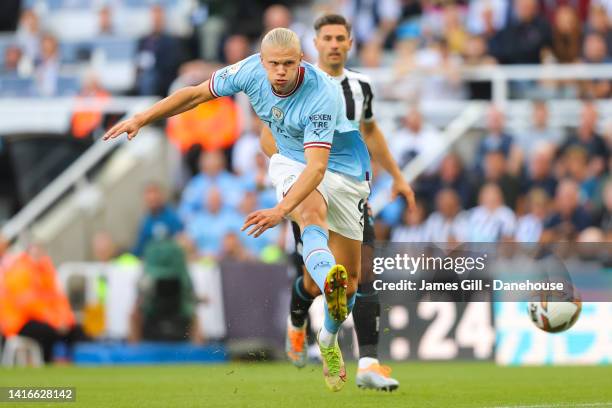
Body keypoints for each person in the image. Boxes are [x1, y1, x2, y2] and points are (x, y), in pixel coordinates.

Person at [103, 26, 415, 392]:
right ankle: (324, 288)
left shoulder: (322, 94)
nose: (279, 72)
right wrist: (143, 117)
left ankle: (329, 340)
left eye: (287, 64)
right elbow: (194, 94)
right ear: (262, 62)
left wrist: (279, 211)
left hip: (342, 173)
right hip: (291, 163)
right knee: (312, 217)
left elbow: (318, 168)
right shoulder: (249, 70)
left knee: (347, 290)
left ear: (302, 61)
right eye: (273, 64)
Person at [259, 14, 414, 391]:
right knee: (314, 284)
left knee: (361, 275)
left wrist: (396, 175)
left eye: (339, 37)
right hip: (310, 188)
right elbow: (268, 136)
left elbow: (371, 132)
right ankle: (298, 325)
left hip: (350, 190)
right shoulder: (298, 82)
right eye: (326, 37)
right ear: (315, 43)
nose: (333, 44)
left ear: (349, 43)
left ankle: (369, 364)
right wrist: (294, 171)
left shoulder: (361, 86)